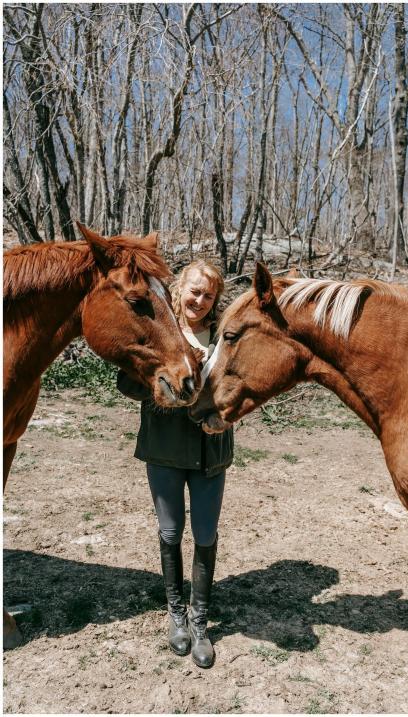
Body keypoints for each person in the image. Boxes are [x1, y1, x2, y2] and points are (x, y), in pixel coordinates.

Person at [117, 260, 233, 668]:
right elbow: (126, 381)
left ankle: (200, 622)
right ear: (180, 288)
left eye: (208, 295)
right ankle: (176, 615)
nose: (199, 301)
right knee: (170, 532)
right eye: (194, 291)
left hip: (209, 452)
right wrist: (164, 381)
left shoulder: (225, 337)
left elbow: (243, 387)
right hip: (164, 448)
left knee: (204, 533)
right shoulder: (159, 331)